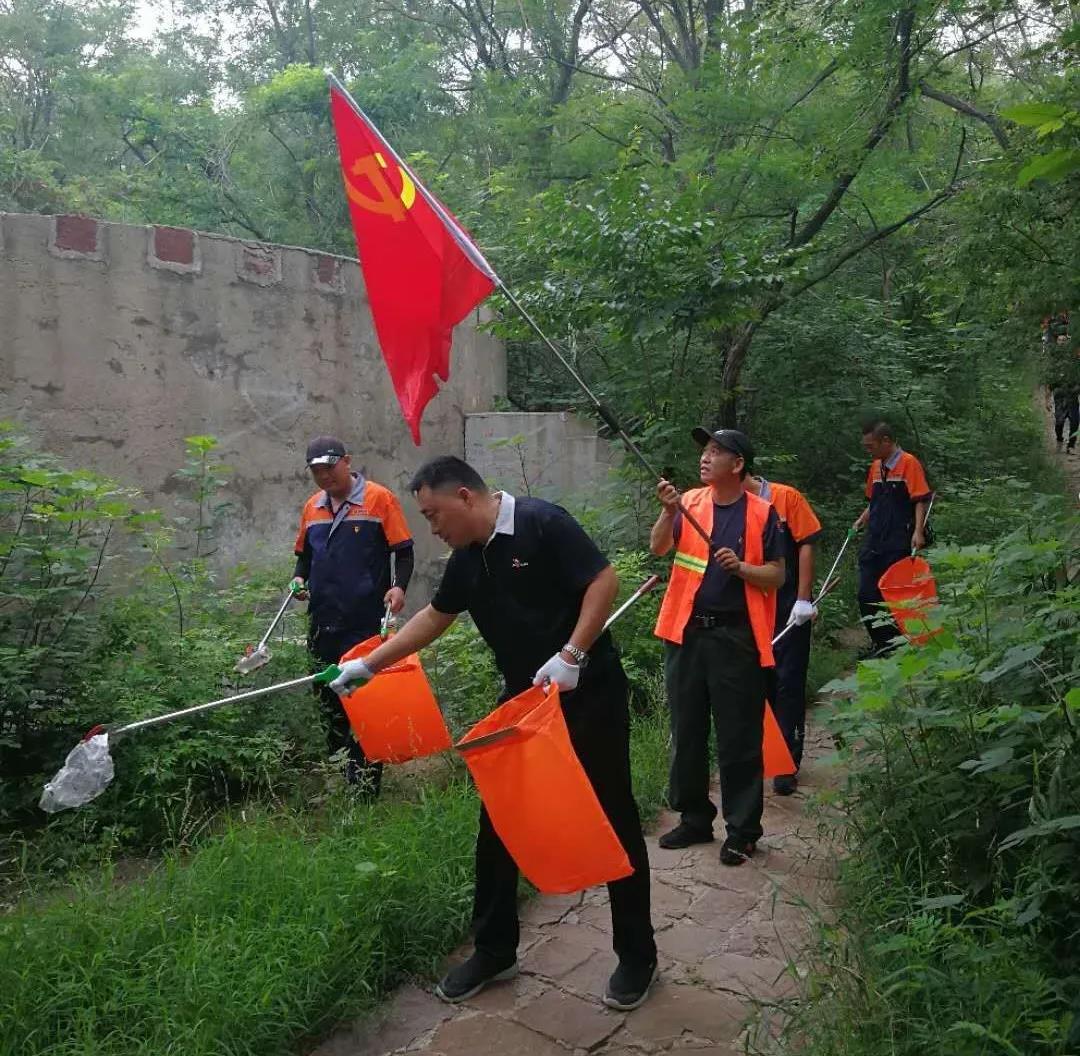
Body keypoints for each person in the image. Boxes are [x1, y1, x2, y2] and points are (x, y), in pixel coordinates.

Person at [329, 456, 657, 1011]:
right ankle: (495, 950)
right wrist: (372, 664)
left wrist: (573, 654)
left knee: (613, 814)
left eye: (434, 514)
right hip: (524, 702)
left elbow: (603, 579)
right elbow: (434, 618)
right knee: (500, 821)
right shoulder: (467, 560)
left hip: (587, 691)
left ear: (464, 496)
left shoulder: (541, 523)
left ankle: (637, 954)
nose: (433, 528)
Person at [650, 427, 785, 865]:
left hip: (735, 638)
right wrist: (666, 512)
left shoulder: (764, 514)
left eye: (715, 452)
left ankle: (743, 830)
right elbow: (658, 548)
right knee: (686, 731)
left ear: (738, 464)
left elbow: (777, 576)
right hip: (686, 634)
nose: (705, 458)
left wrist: (743, 567)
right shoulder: (687, 503)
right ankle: (694, 819)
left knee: (738, 736)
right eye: (704, 451)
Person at [293, 436, 414, 794]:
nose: (324, 476)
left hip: (362, 621)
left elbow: (403, 551)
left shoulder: (379, 498)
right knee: (326, 694)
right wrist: (299, 578)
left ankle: (365, 784)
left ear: (347, 461)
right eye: (316, 471)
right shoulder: (312, 507)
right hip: (322, 619)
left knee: (362, 700)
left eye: (329, 467)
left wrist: (399, 586)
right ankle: (345, 767)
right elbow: (304, 556)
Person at [744, 473, 822, 795]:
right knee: (758, 684)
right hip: (752, 607)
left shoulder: (786, 497)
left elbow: (806, 544)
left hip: (789, 605)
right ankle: (762, 754)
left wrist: (803, 599)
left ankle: (787, 761)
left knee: (788, 682)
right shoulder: (731, 504)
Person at [853, 421, 932, 656]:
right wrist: (861, 520)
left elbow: (920, 499)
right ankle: (882, 642)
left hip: (899, 538)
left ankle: (901, 643)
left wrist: (918, 532)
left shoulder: (909, 463)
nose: (869, 451)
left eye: (871, 446)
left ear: (886, 441)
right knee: (866, 593)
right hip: (875, 538)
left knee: (895, 593)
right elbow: (873, 502)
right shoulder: (876, 467)